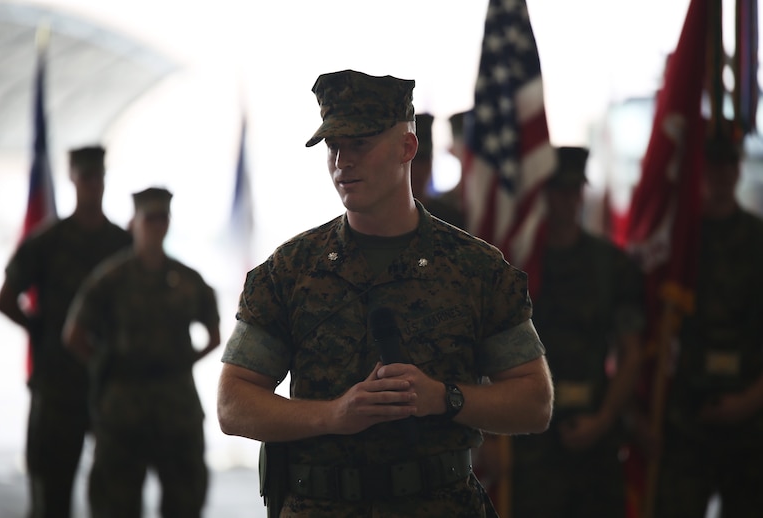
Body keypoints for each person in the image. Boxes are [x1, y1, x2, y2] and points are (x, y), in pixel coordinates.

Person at [216, 69, 554, 518]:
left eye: (359, 144)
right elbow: (232, 403)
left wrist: (445, 398)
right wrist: (333, 415)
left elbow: (535, 402)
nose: (342, 161)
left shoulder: (476, 269)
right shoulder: (290, 271)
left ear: (406, 147)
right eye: (333, 147)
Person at [63, 187, 221, 518]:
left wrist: (181, 364)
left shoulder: (188, 280)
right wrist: (105, 365)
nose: (156, 226)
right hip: (123, 410)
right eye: (149, 218)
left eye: (162, 218)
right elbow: (74, 335)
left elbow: (214, 335)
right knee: (115, 504)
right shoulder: (110, 278)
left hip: (176, 408)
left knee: (184, 500)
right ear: (134, 222)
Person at [0, 145, 132, 518]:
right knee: (50, 497)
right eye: (86, 177)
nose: (93, 185)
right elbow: (5, 298)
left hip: (109, 386)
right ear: (73, 179)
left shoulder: (122, 244)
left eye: (98, 177)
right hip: (57, 389)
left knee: (117, 497)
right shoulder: (47, 242)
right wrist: (39, 330)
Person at [509, 147, 645, 517]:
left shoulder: (609, 263)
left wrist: (604, 419)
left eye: (573, 191)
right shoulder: (519, 263)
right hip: (534, 437)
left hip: (595, 429)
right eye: (558, 191)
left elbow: (631, 351)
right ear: (544, 194)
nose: (566, 201)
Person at [650, 129, 763, 517]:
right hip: (686, 421)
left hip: (751, 420)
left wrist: (749, 401)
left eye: (728, 163)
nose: (720, 174)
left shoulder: (758, 239)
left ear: (738, 167)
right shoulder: (680, 243)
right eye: (712, 165)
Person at [410, 112, 465, 228]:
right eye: (411, 163)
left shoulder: (448, 219)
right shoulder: (381, 217)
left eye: (423, 161)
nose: (417, 170)